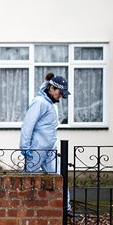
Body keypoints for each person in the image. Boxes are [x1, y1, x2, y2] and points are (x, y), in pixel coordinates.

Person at [19, 73, 72, 212]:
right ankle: (25, 209)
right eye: (60, 92)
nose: (61, 96)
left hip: (49, 150)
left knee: (60, 177)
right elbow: (28, 124)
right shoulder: (40, 102)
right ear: (51, 88)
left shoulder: (51, 104)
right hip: (36, 150)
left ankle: (65, 209)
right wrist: (25, 146)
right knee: (29, 181)